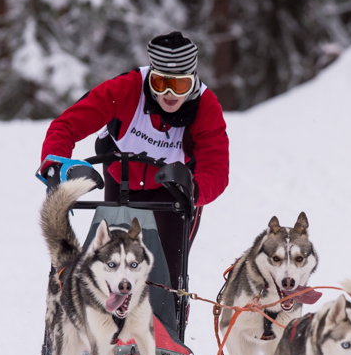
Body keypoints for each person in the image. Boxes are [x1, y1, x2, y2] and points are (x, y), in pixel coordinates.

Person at [40, 31, 230, 289]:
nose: (170, 94)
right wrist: (56, 165)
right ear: (150, 77)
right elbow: (66, 126)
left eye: (180, 85)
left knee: (165, 278)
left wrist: (194, 190)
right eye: (161, 83)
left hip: (173, 192)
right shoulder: (126, 88)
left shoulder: (206, 107)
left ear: (193, 81)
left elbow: (216, 169)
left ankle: (169, 321)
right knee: (111, 263)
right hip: (122, 179)